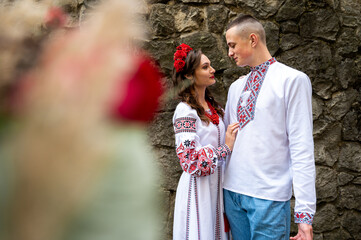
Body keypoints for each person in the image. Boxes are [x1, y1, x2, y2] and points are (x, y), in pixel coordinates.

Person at [223, 14, 316, 240]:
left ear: (253, 39)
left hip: (269, 198)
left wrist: (304, 216)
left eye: (232, 45)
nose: (229, 53)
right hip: (232, 193)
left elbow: (301, 147)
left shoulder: (292, 80)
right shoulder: (235, 87)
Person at [172, 43, 239, 240]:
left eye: (210, 65)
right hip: (198, 191)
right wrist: (225, 149)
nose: (212, 70)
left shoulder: (214, 107)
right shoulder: (185, 111)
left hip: (217, 188)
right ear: (189, 75)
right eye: (205, 67)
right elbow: (190, 161)